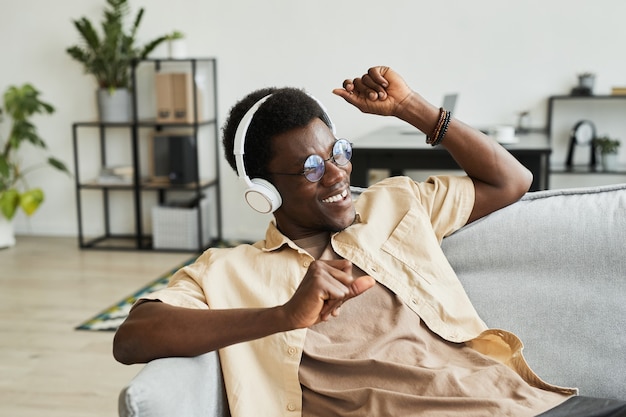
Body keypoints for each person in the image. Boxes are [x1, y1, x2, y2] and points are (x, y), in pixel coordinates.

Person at [114, 66, 626, 417]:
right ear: (264, 192)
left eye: (338, 151)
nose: (337, 174)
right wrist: (285, 316)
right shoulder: (229, 271)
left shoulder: (395, 204)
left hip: (521, 404)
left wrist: (411, 107)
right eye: (311, 167)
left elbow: (511, 182)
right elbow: (132, 337)